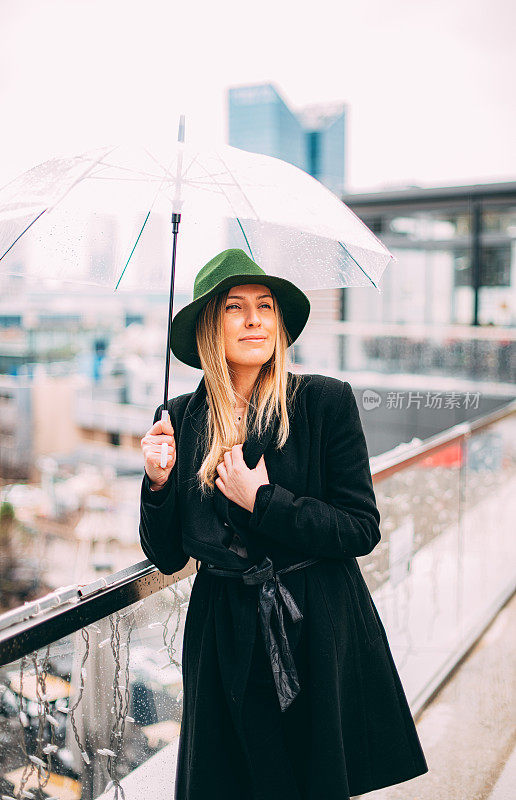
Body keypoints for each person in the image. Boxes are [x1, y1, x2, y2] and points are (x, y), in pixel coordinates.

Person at [139, 248, 429, 800]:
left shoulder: (324, 403)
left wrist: (263, 499)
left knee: (308, 780)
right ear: (208, 326)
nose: (254, 320)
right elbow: (169, 556)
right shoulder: (179, 419)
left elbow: (360, 527)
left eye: (266, 307)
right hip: (223, 630)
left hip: (315, 622)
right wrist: (157, 483)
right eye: (235, 308)